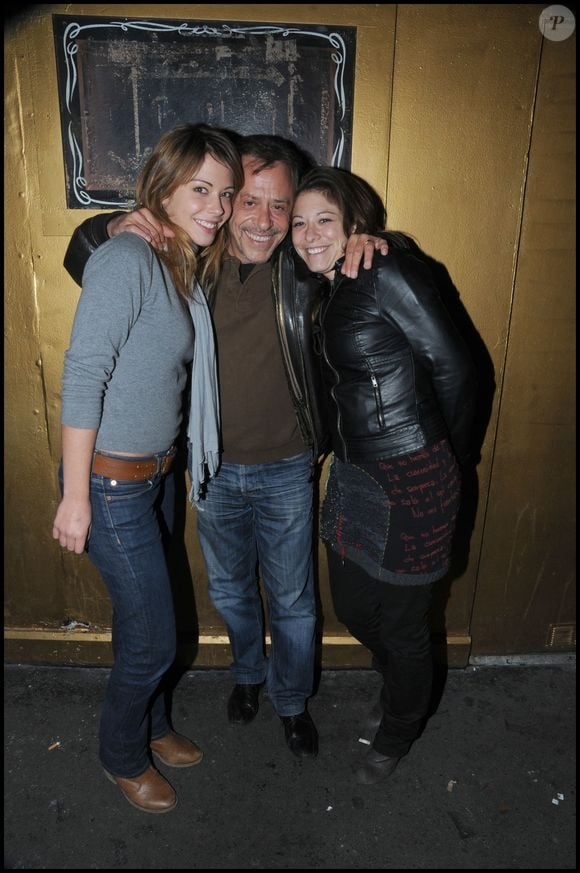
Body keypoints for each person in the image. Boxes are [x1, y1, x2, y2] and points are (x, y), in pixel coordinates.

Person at [62, 133, 388, 760]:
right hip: (209, 470)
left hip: (289, 467)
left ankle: (291, 702)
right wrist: (110, 225)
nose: (264, 220)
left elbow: (362, 255)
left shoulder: (304, 273)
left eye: (280, 207)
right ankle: (247, 676)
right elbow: (88, 261)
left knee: (292, 602)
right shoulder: (190, 261)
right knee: (233, 593)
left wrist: (381, 241)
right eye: (249, 201)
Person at [52, 123, 243, 813]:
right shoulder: (129, 257)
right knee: (155, 636)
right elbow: (83, 376)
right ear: (161, 185)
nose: (216, 207)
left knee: (149, 625)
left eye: (225, 193)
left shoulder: (175, 260)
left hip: (155, 476)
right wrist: (76, 497)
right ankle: (120, 753)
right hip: (108, 483)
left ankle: (155, 725)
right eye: (201, 189)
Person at [290, 167, 477, 784]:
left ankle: (398, 732)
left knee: (403, 626)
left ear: (355, 226)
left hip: (412, 475)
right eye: (299, 222)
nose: (309, 233)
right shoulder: (326, 287)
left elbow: (459, 369)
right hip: (351, 474)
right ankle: (401, 680)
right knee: (353, 607)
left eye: (325, 219)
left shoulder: (382, 268)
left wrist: (450, 457)